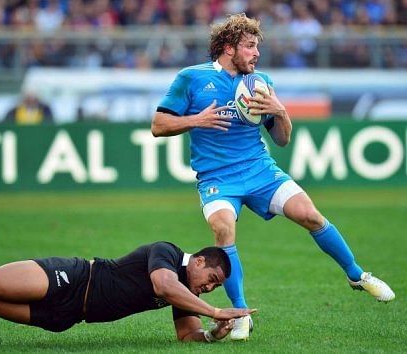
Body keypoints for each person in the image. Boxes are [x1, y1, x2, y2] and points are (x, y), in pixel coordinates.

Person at [151, 13, 395, 341]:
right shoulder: (191, 78)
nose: (256, 53)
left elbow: (282, 139)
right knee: (224, 230)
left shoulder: (259, 82)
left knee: (310, 215)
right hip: (217, 177)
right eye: (250, 46)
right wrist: (196, 120)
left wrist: (280, 111)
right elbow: (158, 125)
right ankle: (241, 314)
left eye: (257, 47)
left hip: (259, 170)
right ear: (227, 48)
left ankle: (356, 275)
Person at [0, 216, 255, 342]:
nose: (208, 287)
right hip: (72, 277)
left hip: (66, 316)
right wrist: (216, 311)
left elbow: (185, 335)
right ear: (200, 260)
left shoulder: (185, 292)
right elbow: (162, 284)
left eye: (213, 287)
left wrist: (211, 335)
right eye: (210, 277)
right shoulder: (169, 253)